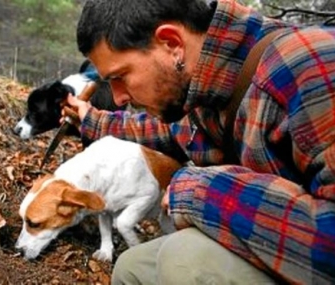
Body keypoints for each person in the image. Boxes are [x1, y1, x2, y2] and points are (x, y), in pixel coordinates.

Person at [64, 0, 335, 284]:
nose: (118, 98)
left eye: (120, 77)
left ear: (171, 43)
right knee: (133, 268)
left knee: (187, 259)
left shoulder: (312, 70)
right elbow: (169, 131)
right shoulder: (202, 90)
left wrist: (200, 191)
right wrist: (90, 119)